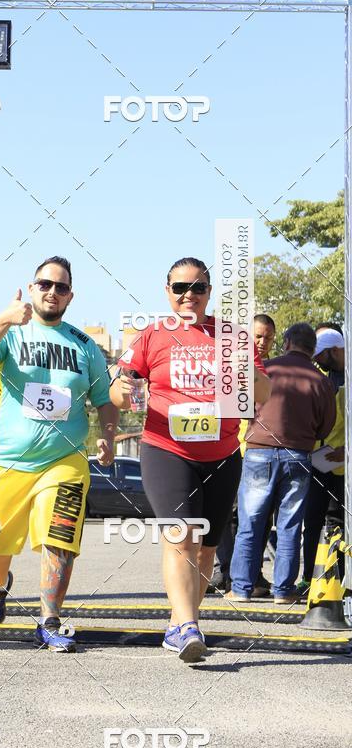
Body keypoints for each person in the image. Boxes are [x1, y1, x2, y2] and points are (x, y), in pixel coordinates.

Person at [111, 257, 270, 662]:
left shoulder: (233, 336)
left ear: (209, 293)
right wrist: (124, 389)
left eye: (197, 288)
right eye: (180, 288)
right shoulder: (153, 335)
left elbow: (263, 391)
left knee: (206, 548)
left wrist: (248, 374)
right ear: (167, 291)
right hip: (167, 449)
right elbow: (119, 386)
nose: (188, 295)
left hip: (222, 454)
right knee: (182, 534)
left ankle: (179, 622)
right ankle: (187, 626)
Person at [0, 255, 117, 653]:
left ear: (71, 295)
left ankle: (50, 618)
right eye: (45, 284)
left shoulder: (85, 346)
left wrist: (108, 434)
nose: (53, 292)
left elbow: (105, 399)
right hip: (8, 459)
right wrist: (3, 319)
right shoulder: (11, 333)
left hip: (64, 459)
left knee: (61, 536)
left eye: (61, 287)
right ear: (32, 289)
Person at [228, 323, 336, 605]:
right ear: (312, 350)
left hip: (258, 452)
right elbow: (325, 429)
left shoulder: (264, 370)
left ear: (286, 342)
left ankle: (241, 588)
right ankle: (284, 591)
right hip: (298, 456)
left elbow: (241, 408)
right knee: (290, 525)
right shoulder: (321, 381)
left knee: (250, 522)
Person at [212, 314, 277, 595]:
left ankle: (251, 574)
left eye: (268, 338)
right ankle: (224, 570)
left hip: (258, 453)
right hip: (231, 450)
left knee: (256, 516)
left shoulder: (270, 372)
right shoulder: (230, 368)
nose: (262, 342)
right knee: (226, 516)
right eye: (258, 336)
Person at [299, 327, 346, 591]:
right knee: (313, 518)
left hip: (344, 467)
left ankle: (337, 577)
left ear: (335, 350)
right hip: (319, 463)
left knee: (338, 522)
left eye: (321, 356)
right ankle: (310, 576)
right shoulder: (324, 379)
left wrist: (346, 452)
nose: (316, 361)